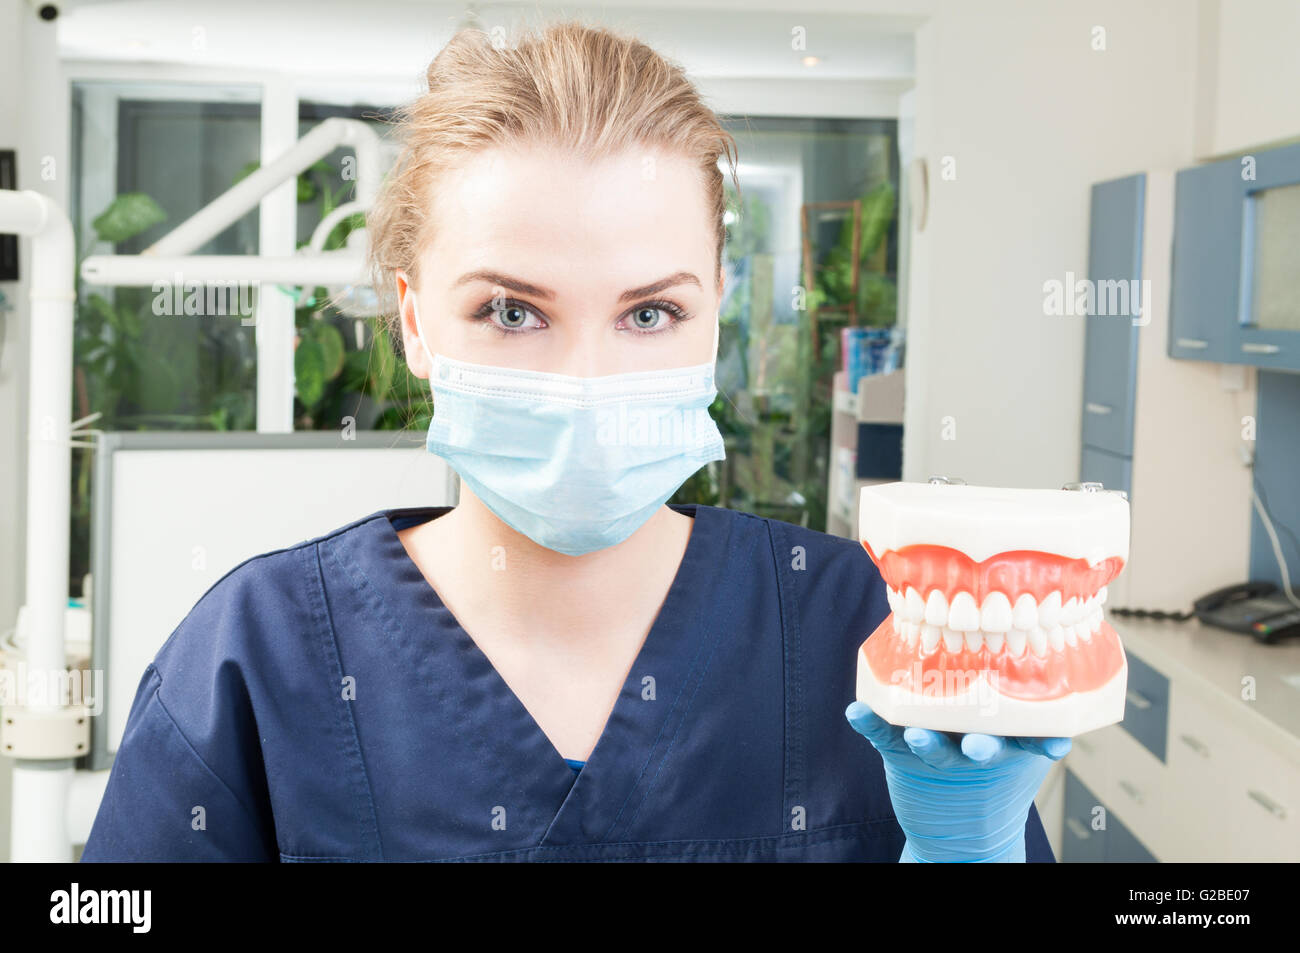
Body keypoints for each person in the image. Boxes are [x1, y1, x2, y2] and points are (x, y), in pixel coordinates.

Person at [81, 19, 1064, 863]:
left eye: (648, 314)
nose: (585, 382)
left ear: (713, 313)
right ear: (416, 324)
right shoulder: (258, 661)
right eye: (512, 311)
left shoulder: (861, 622)